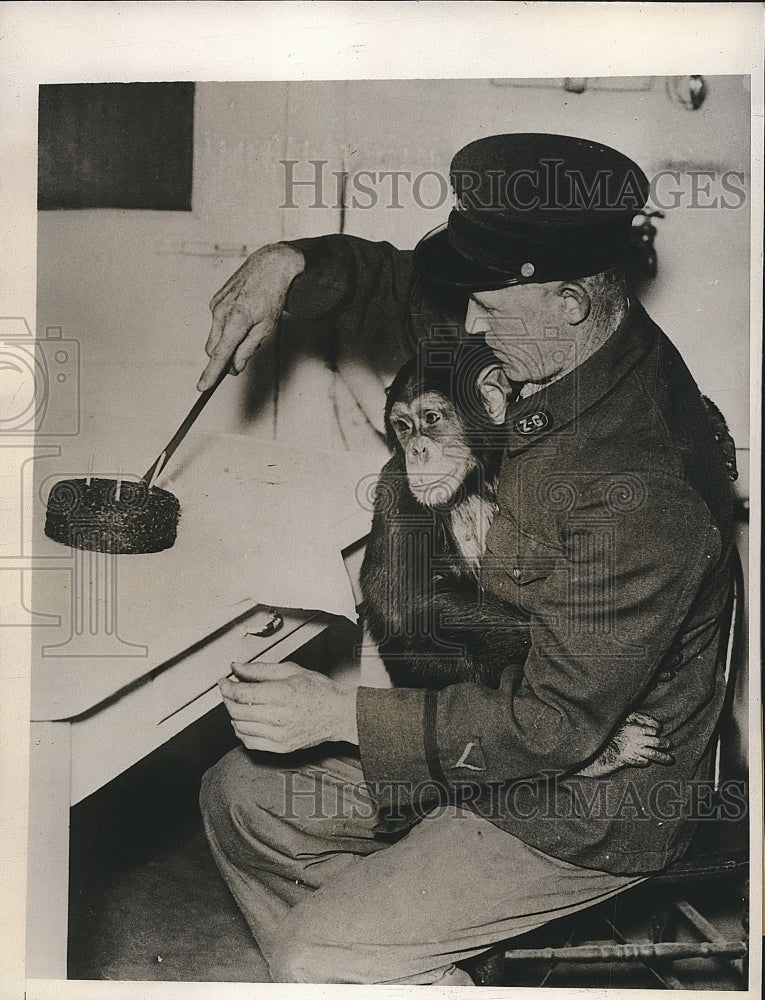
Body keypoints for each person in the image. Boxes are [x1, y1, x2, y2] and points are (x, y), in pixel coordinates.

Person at [198, 133, 737, 985]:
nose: (468, 329)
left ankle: (365, 956)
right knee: (243, 800)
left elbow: (558, 726)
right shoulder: (536, 324)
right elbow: (397, 282)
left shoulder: (638, 481)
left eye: (486, 309)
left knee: (319, 950)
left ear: (564, 300)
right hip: (491, 728)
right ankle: (410, 956)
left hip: (587, 797)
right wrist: (288, 262)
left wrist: (341, 716)